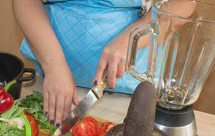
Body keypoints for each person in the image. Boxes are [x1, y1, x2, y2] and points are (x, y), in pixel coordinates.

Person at [12, 0, 152, 127]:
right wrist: (54, 66)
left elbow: (173, 5)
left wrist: (132, 39)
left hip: (132, 92)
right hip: (49, 81)